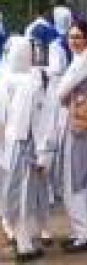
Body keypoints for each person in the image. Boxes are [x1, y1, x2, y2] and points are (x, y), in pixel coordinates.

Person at [0, 37, 54, 262]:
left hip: (8, 145)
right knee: (25, 197)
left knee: (10, 194)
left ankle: (17, 236)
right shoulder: (31, 84)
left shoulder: (5, 80)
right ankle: (25, 246)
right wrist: (44, 153)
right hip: (26, 146)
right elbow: (39, 122)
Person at [56, 20, 87, 253]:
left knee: (73, 182)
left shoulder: (81, 63)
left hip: (78, 127)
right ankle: (81, 231)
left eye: (78, 37)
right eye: (71, 36)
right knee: (84, 181)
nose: (73, 41)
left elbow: (60, 92)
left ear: (86, 39)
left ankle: (84, 234)